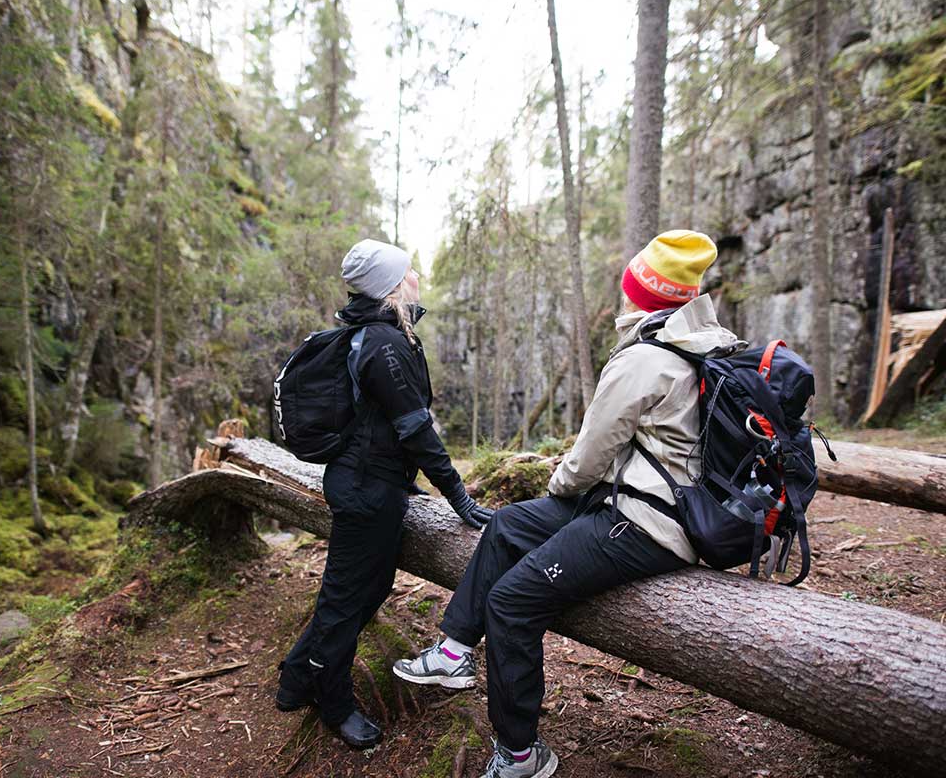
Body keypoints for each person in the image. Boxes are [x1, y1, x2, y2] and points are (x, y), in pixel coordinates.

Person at [394, 230, 744, 778]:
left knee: (511, 605)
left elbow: (587, 459)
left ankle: (519, 756)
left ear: (642, 293)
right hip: (632, 503)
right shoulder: (705, 339)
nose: (624, 295)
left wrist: (558, 488)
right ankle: (455, 649)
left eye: (629, 286)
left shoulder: (643, 360)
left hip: (647, 526)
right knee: (509, 522)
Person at [275, 238, 493, 749]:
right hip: (364, 493)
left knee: (363, 592)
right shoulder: (385, 344)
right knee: (344, 601)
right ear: (393, 286)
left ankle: (295, 677)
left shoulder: (379, 336)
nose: (416, 274)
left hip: (372, 485)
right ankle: (333, 702)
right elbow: (415, 429)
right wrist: (457, 495)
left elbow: (384, 425)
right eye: (408, 270)